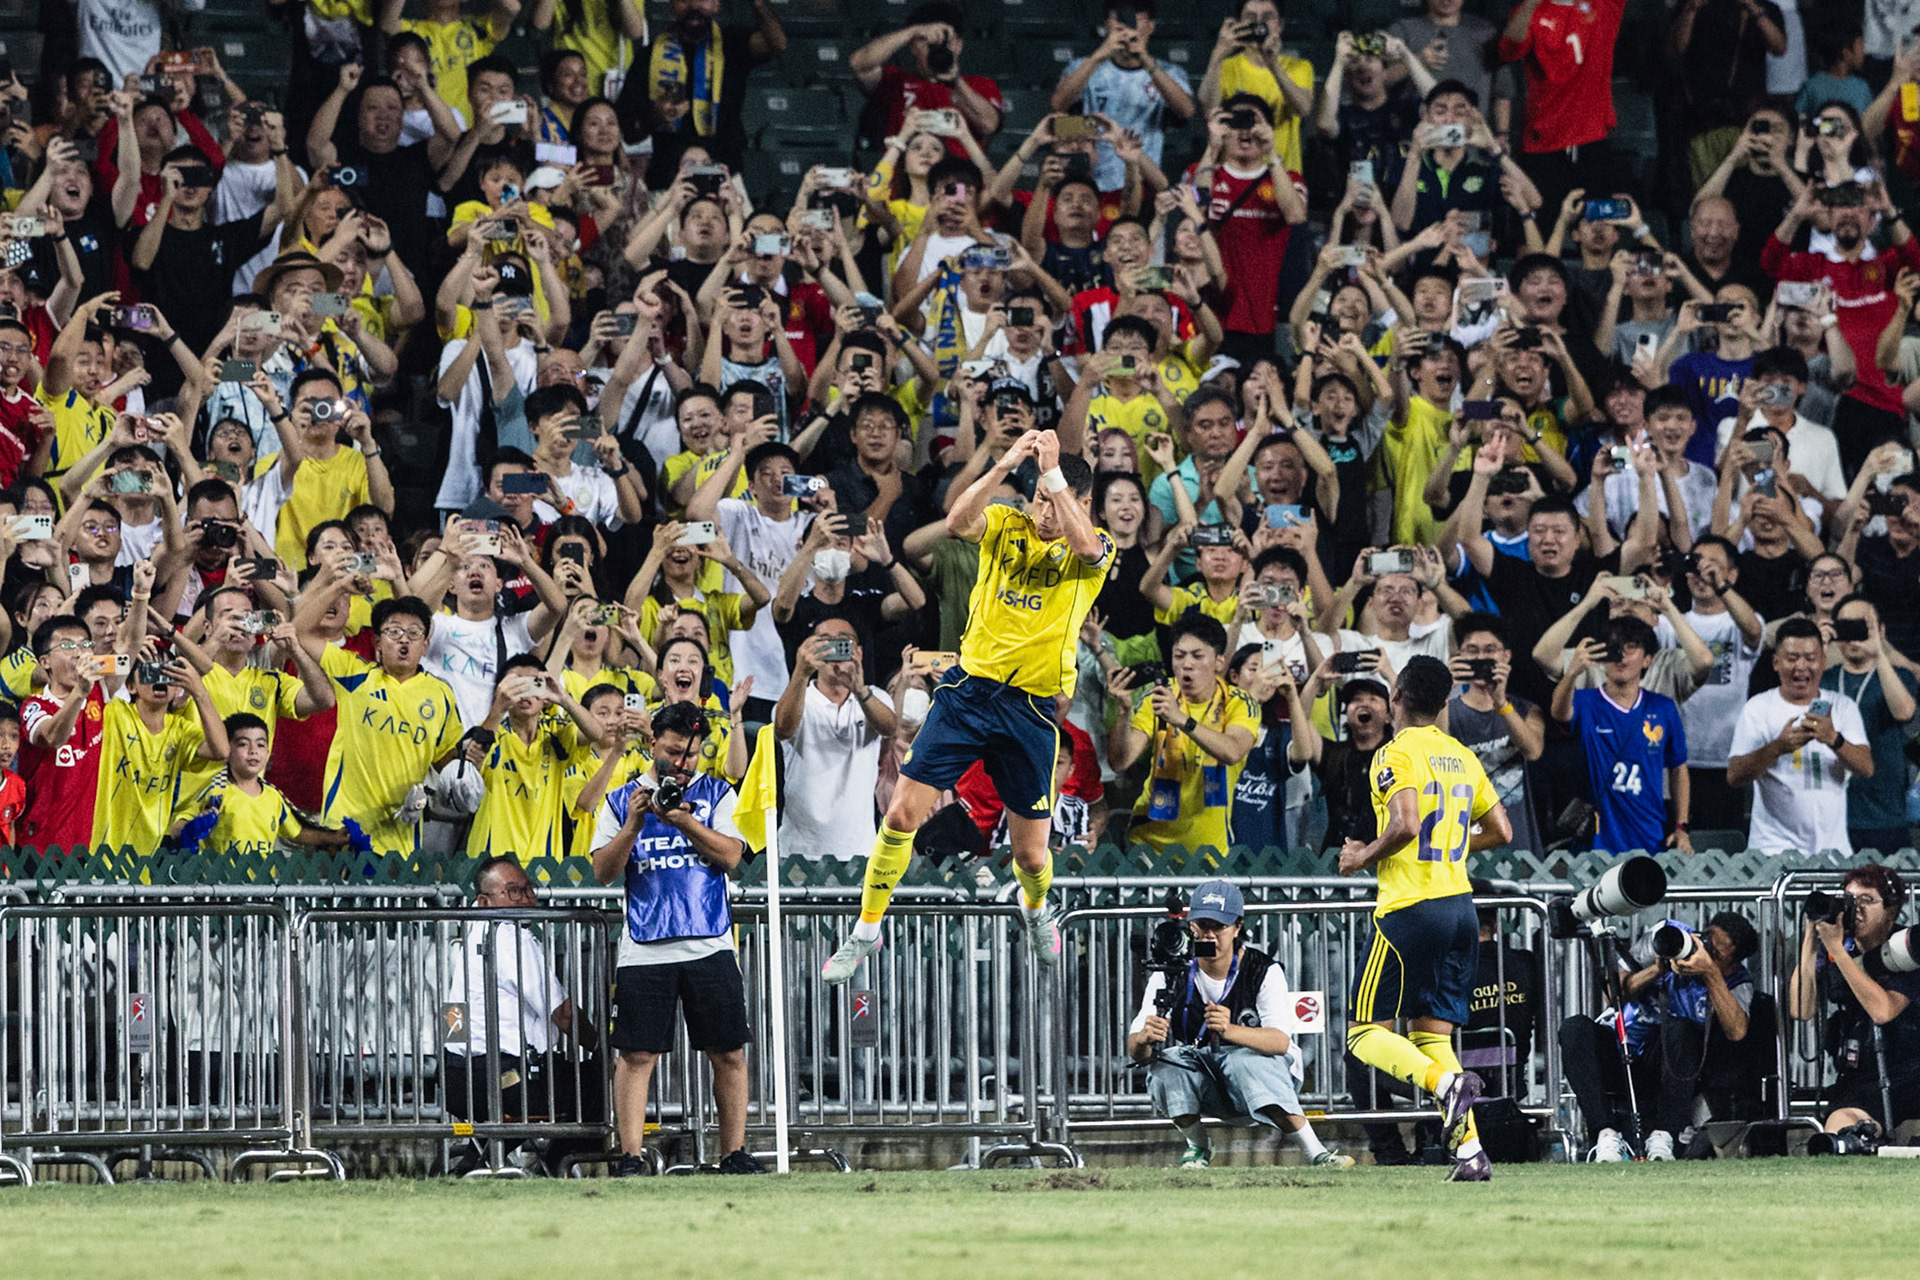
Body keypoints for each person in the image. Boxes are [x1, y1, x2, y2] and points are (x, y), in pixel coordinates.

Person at [821, 433, 1114, 982]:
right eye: (1039, 500)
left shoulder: (1091, 549)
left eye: (1055, 500)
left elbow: (1087, 548)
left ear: (1081, 503)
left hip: (1028, 711)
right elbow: (957, 523)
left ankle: (1033, 910)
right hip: (967, 693)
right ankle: (865, 930)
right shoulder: (1007, 524)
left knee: (1031, 856)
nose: (1044, 512)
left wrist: (1054, 474)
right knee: (902, 814)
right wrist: (1006, 463)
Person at [1338, 654, 1512, 1183]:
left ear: (1396, 699)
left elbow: (1407, 823)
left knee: (1363, 1033)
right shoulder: (1460, 755)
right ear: (1442, 705)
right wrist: (1456, 846)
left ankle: (1443, 1086)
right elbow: (1501, 830)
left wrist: (1362, 856)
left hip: (1411, 909)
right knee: (1433, 1036)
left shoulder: (1396, 753)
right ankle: (1470, 1154)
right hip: (1461, 908)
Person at [590, 700, 763, 1177]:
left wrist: (685, 821)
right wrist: (634, 825)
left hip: (710, 941)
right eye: (671, 753)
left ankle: (734, 1153)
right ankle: (629, 1156)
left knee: (728, 1051)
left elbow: (731, 856)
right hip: (644, 945)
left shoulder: (717, 792)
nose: (681, 764)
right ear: (652, 745)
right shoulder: (621, 798)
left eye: (690, 755)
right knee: (636, 1054)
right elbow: (603, 871)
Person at [1124, 879, 1353, 1169]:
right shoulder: (1172, 970)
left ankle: (1316, 1152)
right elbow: (1135, 1050)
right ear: (1190, 925)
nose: (1209, 935)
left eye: (1218, 927)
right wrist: (1145, 1038)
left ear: (1237, 927)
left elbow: (1280, 1041)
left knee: (1245, 1063)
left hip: (1263, 1072)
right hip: (1205, 1070)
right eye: (1201, 925)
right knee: (1166, 1065)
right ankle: (1198, 1146)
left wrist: (1230, 1030)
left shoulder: (1263, 969)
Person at [442, 855, 602, 1170]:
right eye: (514, 891)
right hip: (505, 1079)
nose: (527, 898)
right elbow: (563, 1014)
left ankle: (476, 1165)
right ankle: (555, 1168)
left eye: (529, 889)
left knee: (552, 1088)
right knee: (601, 1084)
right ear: (485, 901)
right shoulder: (510, 936)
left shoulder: (469, 928)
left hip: (456, 1078)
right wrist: (601, 1047)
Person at [1559, 912, 1759, 1161]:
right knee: (1574, 1028)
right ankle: (1605, 1135)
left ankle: (1664, 1136)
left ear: (1732, 965)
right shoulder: (1669, 937)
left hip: (1668, 1066)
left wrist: (1711, 974)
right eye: (1705, 940)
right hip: (1623, 1049)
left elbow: (1737, 1031)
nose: (1705, 951)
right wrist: (1656, 970)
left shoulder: (1736, 981)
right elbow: (1614, 995)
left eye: (1716, 955)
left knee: (1681, 1028)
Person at [1788, 863, 1920, 1143]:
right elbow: (1801, 1009)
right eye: (1849, 899)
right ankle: (1858, 1139)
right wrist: (1811, 939)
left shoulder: (1909, 948)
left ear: (1891, 911)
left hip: (1909, 1071)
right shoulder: (1841, 946)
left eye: (1867, 901)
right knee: (1839, 1127)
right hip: (1861, 1074)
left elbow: (1883, 1011)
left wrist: (1837, 949)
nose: (1855, 908)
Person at [1107, 615, 1261, 854]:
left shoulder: (1239, 702)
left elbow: (1232, 751)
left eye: (1197, 656)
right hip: (1148, 844)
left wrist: (1180, 720)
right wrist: (1124, 712)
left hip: (1209, 850)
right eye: (1179, 656)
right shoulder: (1157, 697)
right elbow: (1120, 761)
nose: (1186, 664)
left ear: (1219, 662)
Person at [1728, 617, 1875, 856]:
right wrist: (1777, 747)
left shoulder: (1842, 706)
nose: (1801, 667)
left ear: (1823, 662)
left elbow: (1866, 768)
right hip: (1772, 850)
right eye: (1792, 658)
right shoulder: (1758, 707)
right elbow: (1735, 776)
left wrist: (1833, 738)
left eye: (1810, 658)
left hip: (1833, 852)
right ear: (1776, 662)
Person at [1552, 617, 1693, 856]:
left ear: (1647, 659)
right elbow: (1559, 712)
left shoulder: (1663, 708)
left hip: (1649, 835)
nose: (1622, 656)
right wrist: (1572, 672)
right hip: (1595, 841)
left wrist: (1681, 827)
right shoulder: (1585, 701)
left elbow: (1679, 769)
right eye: (1614, 647)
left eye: (1631, 647)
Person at [773, 619, 896, 861]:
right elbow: (783, 729)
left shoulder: (874, 697)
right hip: (799, 849)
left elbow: (890, 727)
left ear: (858, 652)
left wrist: (860, 690)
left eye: (843, 641)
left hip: (859, 848)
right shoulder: (798, 698)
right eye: (824, 642)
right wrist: (801, 671)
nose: (834, 649)